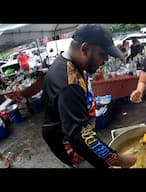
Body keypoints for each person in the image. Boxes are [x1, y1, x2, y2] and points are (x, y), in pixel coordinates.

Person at [41, 24, 137, 168]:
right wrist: (121, 161)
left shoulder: (74, 64)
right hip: (72, 146)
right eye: (102, 54)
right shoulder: (68, 85)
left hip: (76, 131)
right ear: (85, 49)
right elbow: (81, 138)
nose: (105, 60)